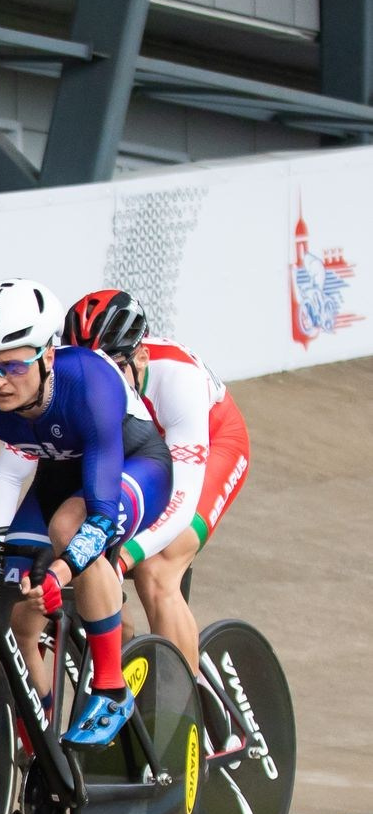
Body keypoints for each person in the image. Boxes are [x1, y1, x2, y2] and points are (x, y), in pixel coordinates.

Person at [0, 280, 173, 749]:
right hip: (58, 481)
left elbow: (100, 517)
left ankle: (111, 688)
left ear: (47, 356)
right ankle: (41, 748)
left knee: (68, 527)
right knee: (17, 616)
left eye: (14, 366)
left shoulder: (90, 382)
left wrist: (60, 571)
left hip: (134, 470)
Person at [62, 289, 249, 677]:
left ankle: (185, 700)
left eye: (114, 369)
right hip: (140, 454)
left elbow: (181, 499)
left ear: (141, 358)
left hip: (212, 444)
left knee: (155, 569)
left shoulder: (178, 379)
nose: (101, 382)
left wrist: (126, 557)